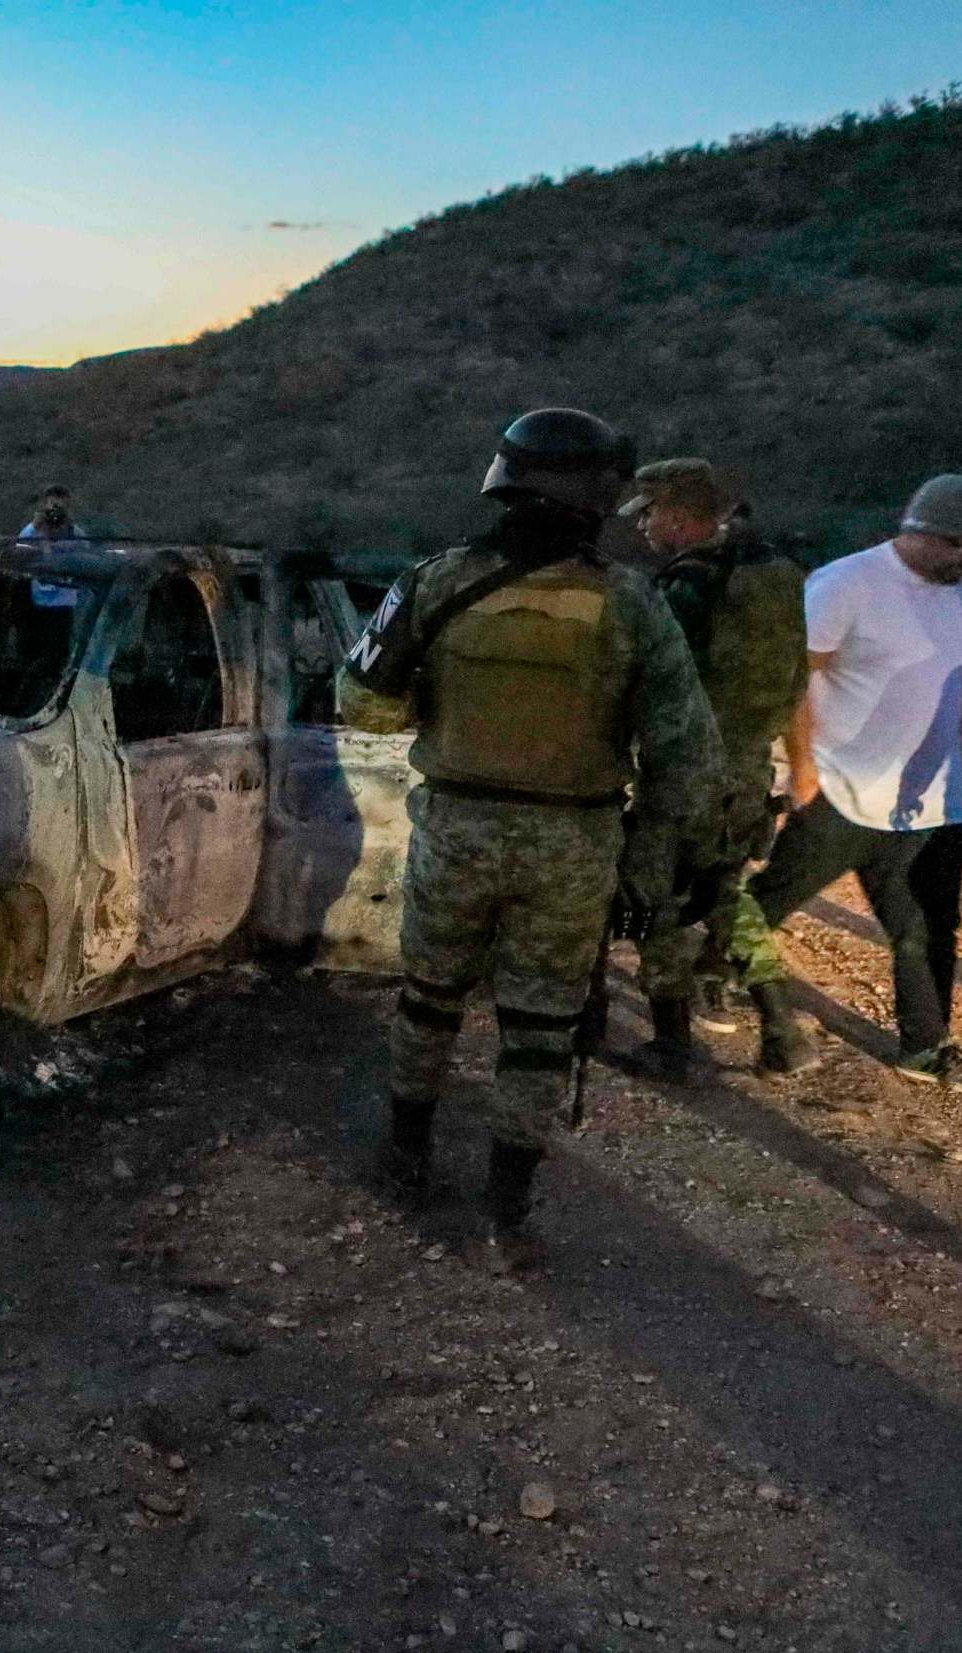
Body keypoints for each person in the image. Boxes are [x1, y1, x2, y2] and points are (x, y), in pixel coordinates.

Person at [338, 408, 719, 1267]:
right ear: (598, 497)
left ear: (502, 479)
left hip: (457, 830)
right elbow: (688, 758)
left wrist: (443, 705)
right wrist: (651, 865)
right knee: (541, 1032)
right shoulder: (633, 600)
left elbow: (363, 701)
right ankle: (504, 1219)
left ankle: (405, 1158)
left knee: (428, 1000)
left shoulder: (434, 579)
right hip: (574, 847)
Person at [743, 473, 962, 1084]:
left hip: (922, 805)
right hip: (840, 787)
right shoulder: (847, 582)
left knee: (919, 928)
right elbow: (796, 679)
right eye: (956, 546)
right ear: (920, 533)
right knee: (768, 903)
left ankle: (925, 1045)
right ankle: (705, 979)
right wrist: (803, 767)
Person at [616, 459, 806, 1079]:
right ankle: (781, 1029)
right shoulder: (772, 574)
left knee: (657, 903)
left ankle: (672, 1045)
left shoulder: (687, 586)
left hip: (684, 775)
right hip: (746, 772)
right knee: (726, 894)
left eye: (648, 513)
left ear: (678, 513)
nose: (642, 526)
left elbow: (651, 680)